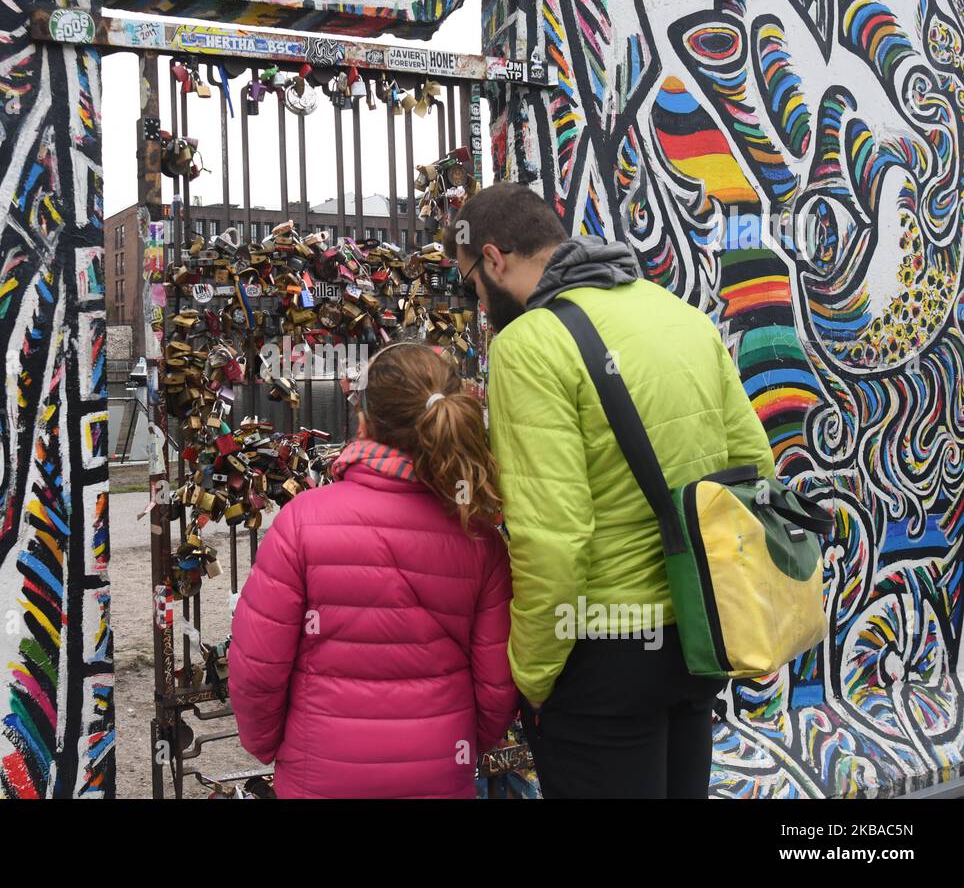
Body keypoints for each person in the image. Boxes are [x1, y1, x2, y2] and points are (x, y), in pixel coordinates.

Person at [448, 181, 776, 798]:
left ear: (493, 259)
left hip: (601, 655)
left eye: (469, 284)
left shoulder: (527, 344)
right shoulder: (678, 313)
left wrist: (536, 675)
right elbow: (753, 467)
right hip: (698, 638)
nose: (476, 303)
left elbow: (553, 539)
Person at [228, 342, 519, 798]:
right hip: (439, 773)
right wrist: (458, 739)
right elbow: (498, 684)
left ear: (364, 418)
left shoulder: (301, 522)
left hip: (319, 775)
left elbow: (257, 669)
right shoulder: (478, 537)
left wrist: (269, 745)